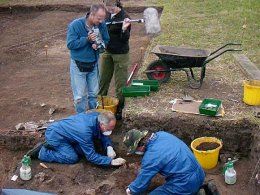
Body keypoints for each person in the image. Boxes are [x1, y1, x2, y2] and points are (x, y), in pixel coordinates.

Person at [28, 111, 126, 167]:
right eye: (109, 128)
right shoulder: (85, 131)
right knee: (72, 158)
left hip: (70, 134)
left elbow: (103, 134)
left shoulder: (98, 116)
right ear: (101, 124)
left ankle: (68, 147)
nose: (111, 131)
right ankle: (43, 152)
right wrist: (110, 162)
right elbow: (91, 156)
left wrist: (109, 146)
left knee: (88, 147)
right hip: (56, 135)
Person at [123, 129, 205, 195]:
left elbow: (142, 182)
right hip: (200, 174)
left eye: (135, 150)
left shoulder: (151, 156)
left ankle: (192, 191)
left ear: (139, 146)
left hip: (185, 184)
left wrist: (131, 190)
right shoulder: (162, 134)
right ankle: (197, 191)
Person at [67, 4, 109, 113]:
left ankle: (93, 117)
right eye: (99, 18)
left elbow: (106, 40)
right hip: (78, 65)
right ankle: (81, 120)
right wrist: (87, 39)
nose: (101, 21)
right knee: (80, 97)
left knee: (94, 94)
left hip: (93, 64)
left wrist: (99, 46)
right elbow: (70, 44)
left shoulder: (101, 25)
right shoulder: (75, 25)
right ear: (91, 14)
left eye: (103, 19)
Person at [99, 0, 131, 120]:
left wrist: (123, 29)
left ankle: (119, 110)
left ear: (117, 3)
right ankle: (100, 105)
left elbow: (125, 39)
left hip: (121, 54)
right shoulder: (106, 15)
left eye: (111, 6)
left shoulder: (125, 17)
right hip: (107, 52)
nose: (109, 8)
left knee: (120, 84)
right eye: (106, 6)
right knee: (103, 80)